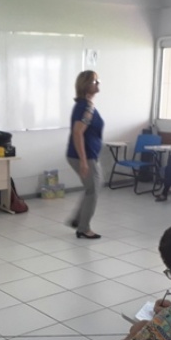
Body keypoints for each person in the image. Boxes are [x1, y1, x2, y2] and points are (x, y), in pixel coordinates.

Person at [67, 70, 104, 239]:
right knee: (93, 190)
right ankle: (83, 228)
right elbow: (78, 132)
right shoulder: (85, 107)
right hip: (84, 156)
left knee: (93, 187)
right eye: (95, 82)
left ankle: (78, 219)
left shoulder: (87, 104)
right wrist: (83, 160)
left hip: (89, 155)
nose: (98, 84)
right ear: (86, 85)